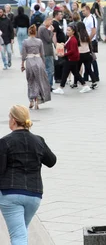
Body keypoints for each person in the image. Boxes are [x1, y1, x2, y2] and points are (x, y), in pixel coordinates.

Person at [0, 105, 56, 245]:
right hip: (34, 194)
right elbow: (51, 161)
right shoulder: (38, 140)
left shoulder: (5, 142)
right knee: (21, 231)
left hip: (10, 193)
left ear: (13, 120)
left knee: (18, 235)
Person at [20, 25, 52, 109]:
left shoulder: (25, 42)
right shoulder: (39, 41)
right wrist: (43, 64)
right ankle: (38, 100)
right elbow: (42, 54)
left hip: (30, 62)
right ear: (35, 32)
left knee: (30, 81)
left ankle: (31, 100)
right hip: (39, 61)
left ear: (28, 32)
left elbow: (23, 54)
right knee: (39, 81)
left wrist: (22, 64)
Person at [53, 26, 89, 95]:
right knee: (75, 73)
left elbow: (72, 50)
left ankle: (61, 87)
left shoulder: (73, 40)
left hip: (71, 59)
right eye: (67, 30)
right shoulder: (70, 38)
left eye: (69, 30)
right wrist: (63, 45)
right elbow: (68, 46)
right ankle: (85, 85)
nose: (67, 31)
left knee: (65, 73)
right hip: (72, 58)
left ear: (73, 31)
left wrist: (64, 54)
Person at [75, 22, 98, 91]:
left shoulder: (77, 35)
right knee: (89, 69)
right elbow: (89, 44)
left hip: (79, 54)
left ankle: (75, 82)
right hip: (87, 54)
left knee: (77, 69)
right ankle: (94, 82)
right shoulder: (86, 35)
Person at [37, 17, 55, 89]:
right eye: (51, 22)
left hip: (43, 51)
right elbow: (48, 39)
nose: (51, 24)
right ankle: (48, 85)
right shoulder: (44, 28)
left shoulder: (41, 28)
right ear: (47, 20)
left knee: (46, 68)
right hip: (47, 51)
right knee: (50, 69)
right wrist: (51, 32)